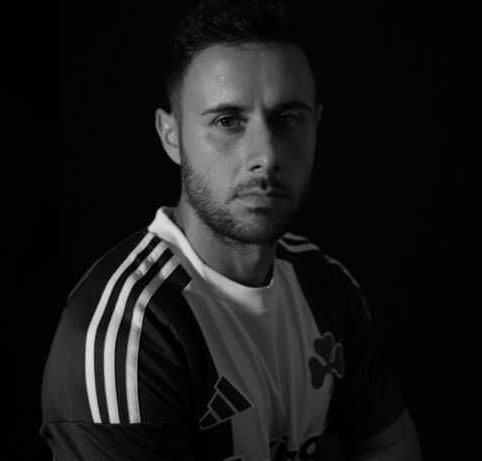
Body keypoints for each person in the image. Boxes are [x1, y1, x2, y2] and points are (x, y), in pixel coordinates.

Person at [42, 0, 422, 459]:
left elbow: (391, 444)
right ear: (171, 136)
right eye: (227, 121)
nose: (266, 155)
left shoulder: (325, 283)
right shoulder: (127, 332)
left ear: (316, 127)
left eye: (288, 120)